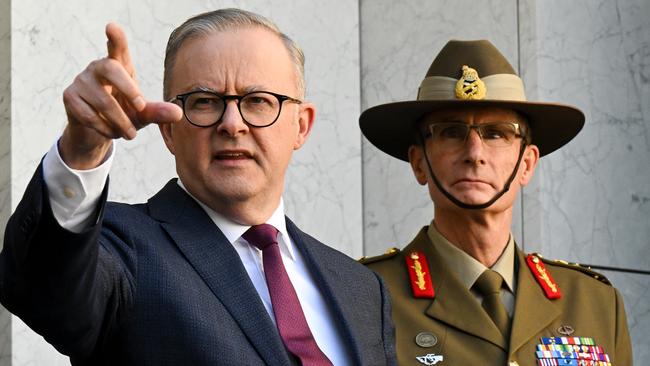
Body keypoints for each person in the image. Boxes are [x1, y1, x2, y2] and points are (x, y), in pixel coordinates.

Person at [0, 9, 395, 366]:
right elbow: (43, 292)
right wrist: (81, 149)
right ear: (170, 130)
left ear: (301, 125)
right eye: (204, 102)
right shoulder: (122, 247)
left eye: (258, 101)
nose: (232, 124)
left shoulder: (361, 289)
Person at [359, 40, 632, 366]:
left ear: (527, 164)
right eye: (450, 132)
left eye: (496, 133)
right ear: (419, 163)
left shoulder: (594, 303)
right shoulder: (365, 298)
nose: (474, 154)